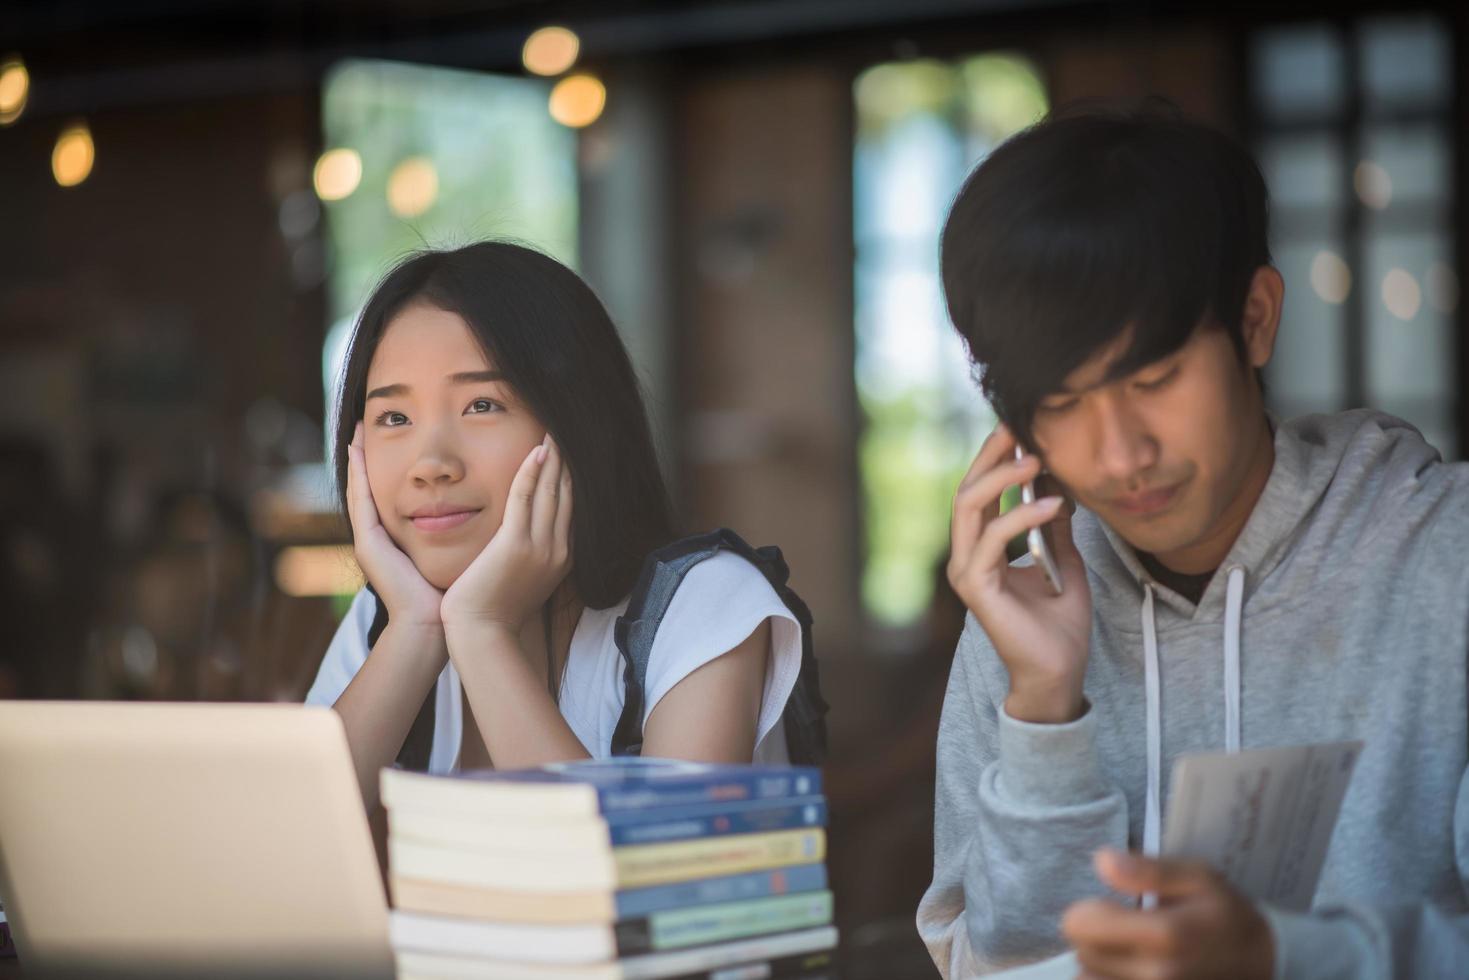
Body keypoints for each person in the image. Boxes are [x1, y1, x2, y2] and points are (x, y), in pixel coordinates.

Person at [916, 106, 1469, 979]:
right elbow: (998, 967)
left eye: (1154, 377)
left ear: (1254, 318)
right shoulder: (1015, 625)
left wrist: (1284, 958)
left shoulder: (1447, 562)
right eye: (1060, 404)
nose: (1119, 455)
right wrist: (1044, 713)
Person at [306, 242, 808, 815]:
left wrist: (481, 632)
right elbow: (281, 862)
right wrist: (417, 630)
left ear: (579, 424)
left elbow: (649, 891)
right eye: (394, 418)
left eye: (482, 405)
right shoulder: (390, 615)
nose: (430, 464)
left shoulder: (706, 604)